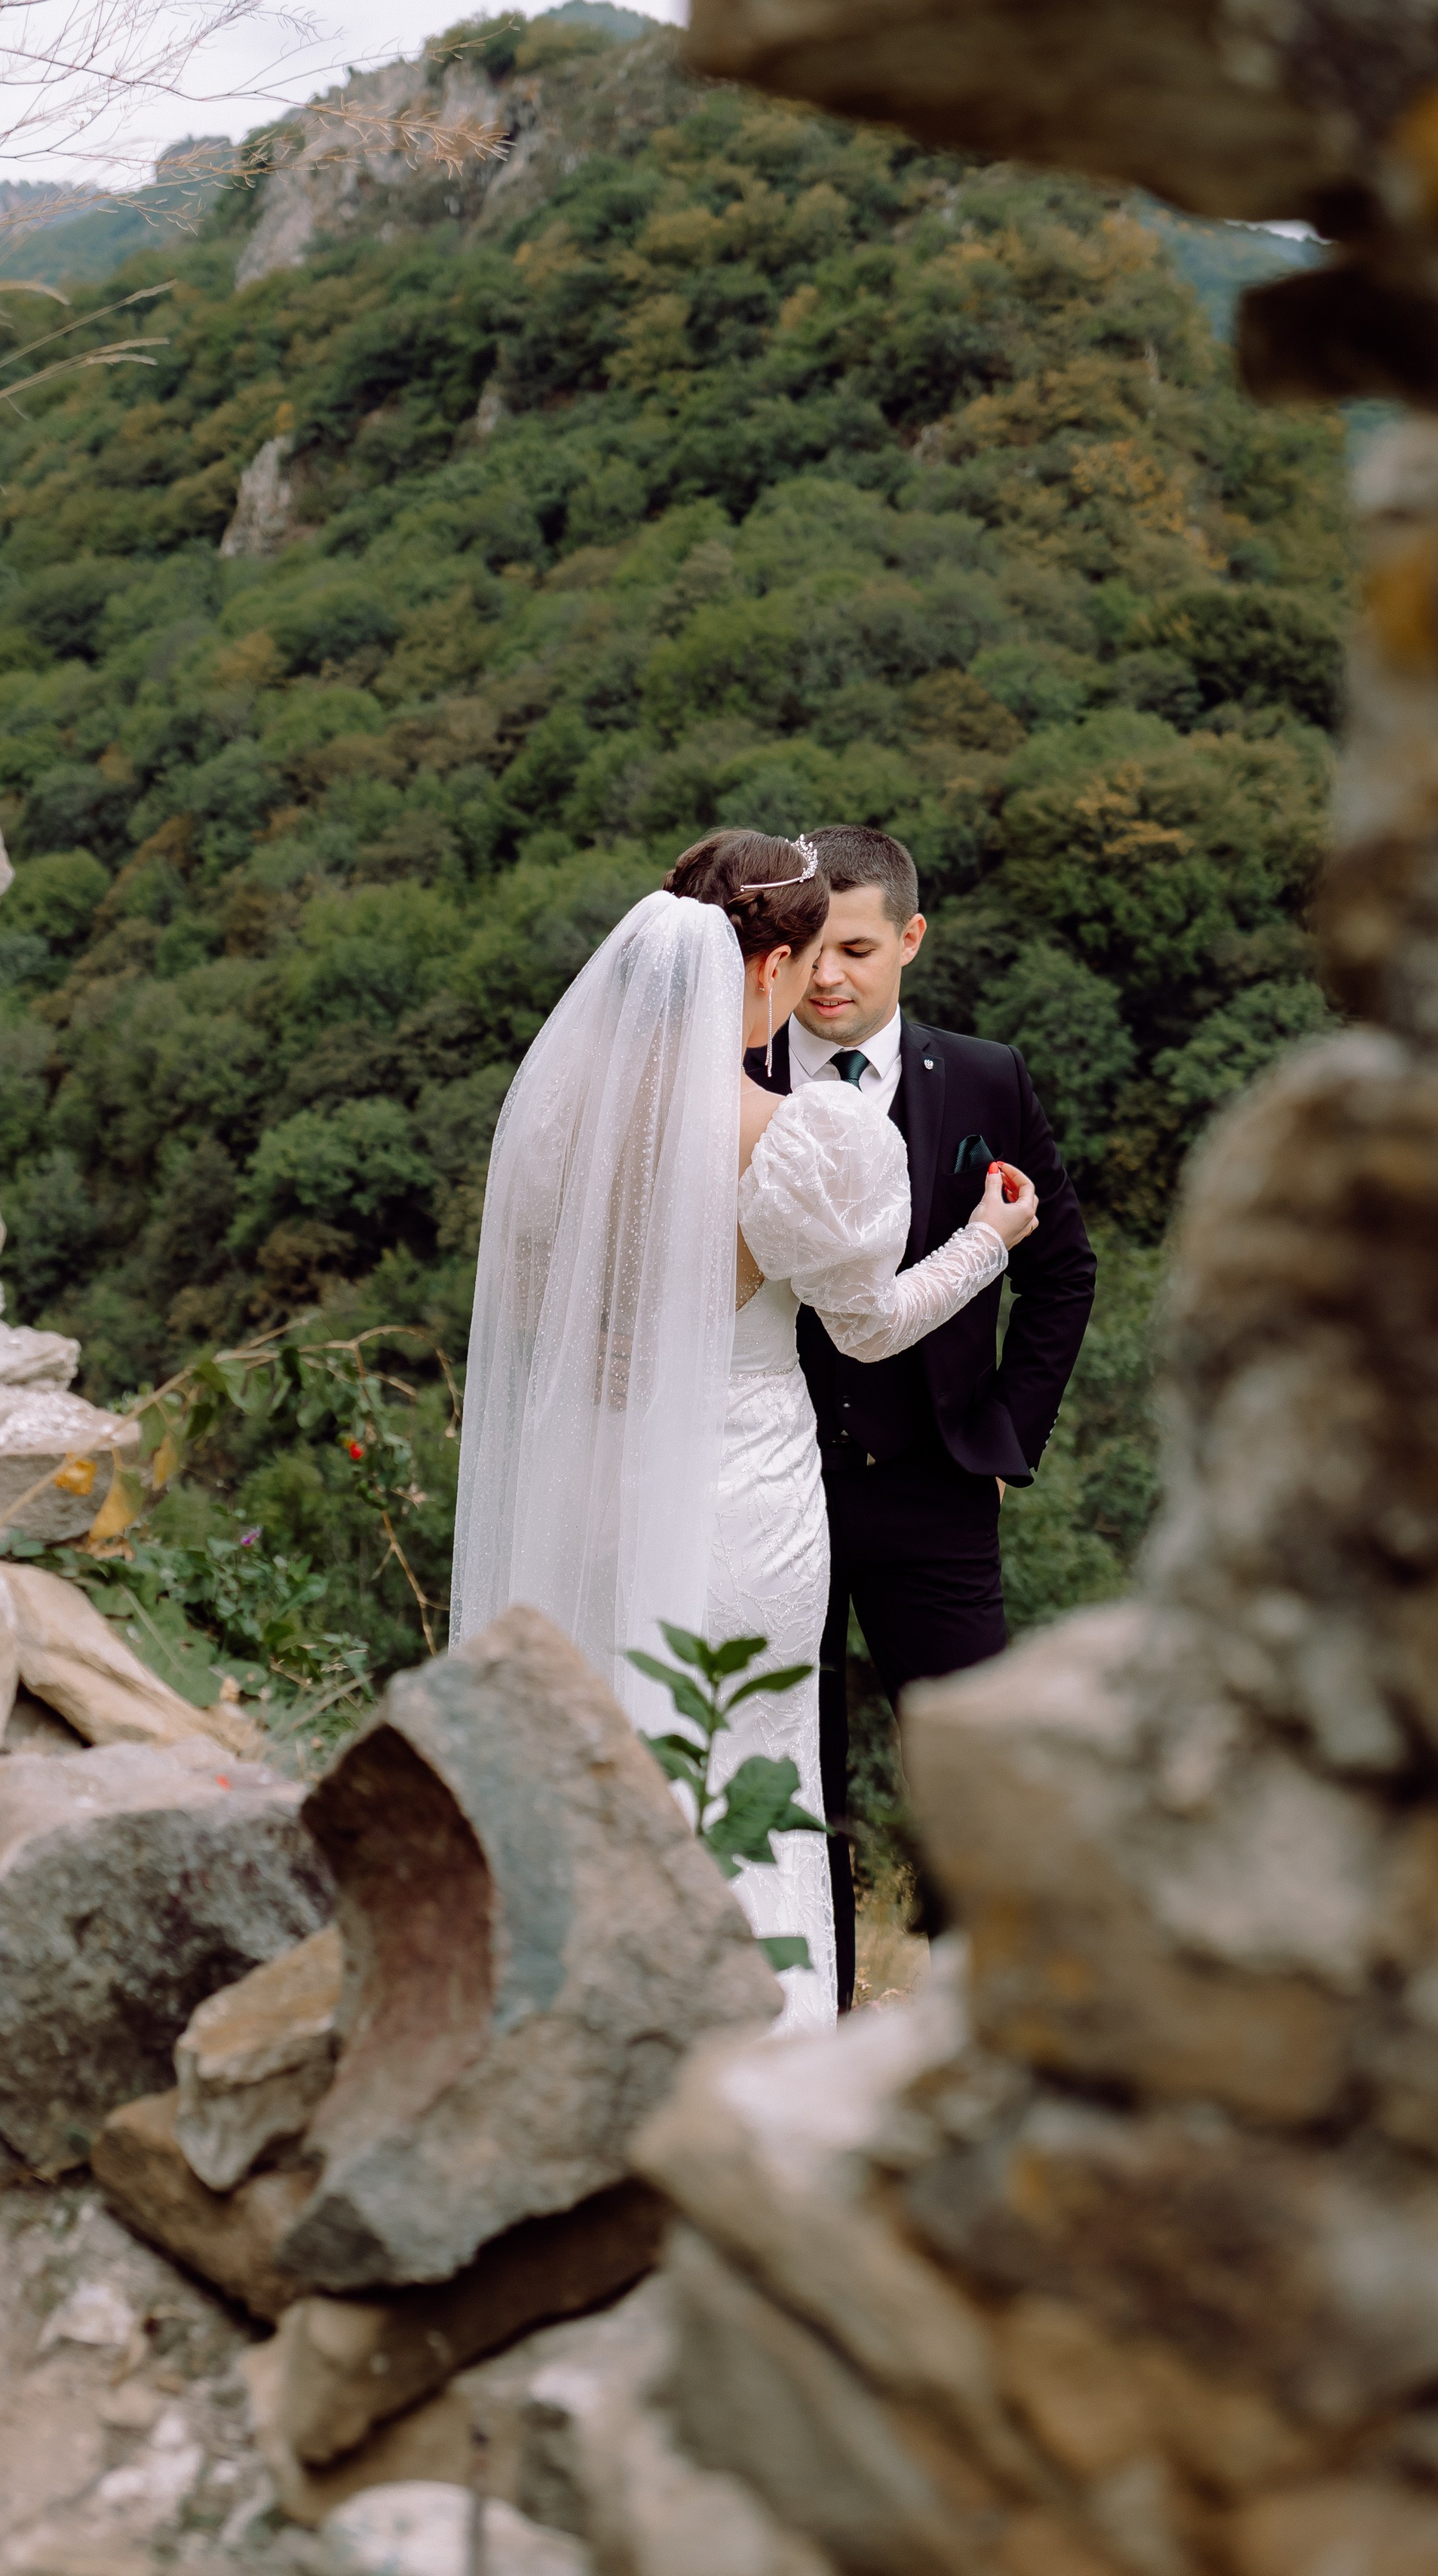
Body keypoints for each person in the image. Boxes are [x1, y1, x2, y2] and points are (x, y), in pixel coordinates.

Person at [450, 828, 1038, 2032]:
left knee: (607, 1765)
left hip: (587, 1486)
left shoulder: (560, 1119)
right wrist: (988, 1244)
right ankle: (749, 2064)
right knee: (750, 1774)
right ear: (765, 969)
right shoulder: (799, 1135)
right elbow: (870, 1326)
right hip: (739, 1502)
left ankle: (587, 2043)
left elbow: (527, 1291)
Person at [752, 826, 1097, 2012]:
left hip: (939, 1485)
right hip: (771, 1481)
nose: (830, 975)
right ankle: (822, 2013)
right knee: (796, 1768)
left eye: (856, 947)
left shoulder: (987, 1076)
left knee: (967, 1767)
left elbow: (1064, 1272)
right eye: (808, 948)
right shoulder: (739, 1082)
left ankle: (981, 2021)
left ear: (910, 939)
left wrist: (1005, 1436)